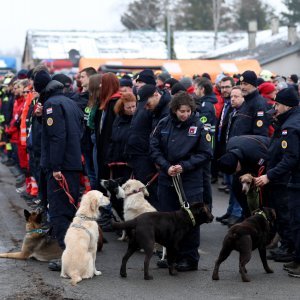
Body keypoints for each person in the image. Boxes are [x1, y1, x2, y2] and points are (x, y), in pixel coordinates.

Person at [150, 91, 212, 271]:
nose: (185, 115)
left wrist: (184, 166)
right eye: (181, 111)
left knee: (190, 220)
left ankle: (190, 258)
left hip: (190, 181)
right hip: (166, 178)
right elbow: (153, 147)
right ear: (175, 110)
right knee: (168, 220)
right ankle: (171, 256)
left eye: (188, 111)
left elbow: (206, 154)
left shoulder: (199, 127)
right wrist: (165, 166)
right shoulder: (163, 123)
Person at [33, 70, 84, 271]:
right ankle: (75, 254)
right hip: (71, 164)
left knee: (60, 212)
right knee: (68, 211)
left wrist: (56, 167)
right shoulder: (68, 101)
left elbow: (57, 137)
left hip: (61, 167)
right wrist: (40, 118)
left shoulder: (52, 104)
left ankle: (68, 257)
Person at [255, 88, 300, 277]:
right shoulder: (294, 119)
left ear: (287, 105)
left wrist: (269, 175)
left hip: (296, 181)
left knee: (296, 221)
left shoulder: (290, 126)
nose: (276, 107)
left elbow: (291, 158)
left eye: (278, 104)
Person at [229, 70, 269, 137]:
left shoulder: (259, 104)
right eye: (241, 84)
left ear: (254, 85)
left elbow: (260, 134)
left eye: (245, 84)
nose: (242, 87)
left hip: (247, 146)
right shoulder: (246, 101)